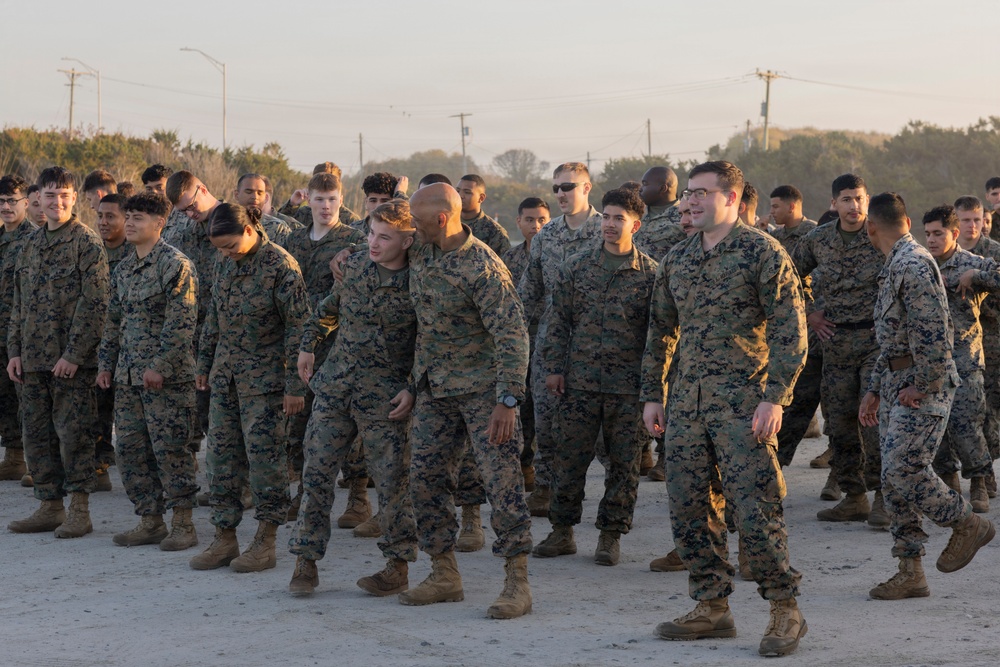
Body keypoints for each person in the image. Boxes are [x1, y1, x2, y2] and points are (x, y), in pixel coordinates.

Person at [642, 161, 807, 657]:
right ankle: (711, 607)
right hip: (687, 406)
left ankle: (785, 610)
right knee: (690, 508)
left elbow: (790, 333)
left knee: (755, 510)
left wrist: (774, 398)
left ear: (731, 198)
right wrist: (653, 393)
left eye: (701, 194)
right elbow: (660, 330)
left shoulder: (763, 253)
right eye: (688, 194)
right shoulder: (679, 258)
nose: (690, 202)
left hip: (743, 406)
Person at [399, 183, 532, 620]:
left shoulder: (483, 267)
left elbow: (512, 335)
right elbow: (382, 248)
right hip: (435, 390)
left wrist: (508, 400)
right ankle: (443, 574)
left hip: (483, 393)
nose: (411, 226)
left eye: (417, 219)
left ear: (441, 218)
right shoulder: (421, 252)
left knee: (503, 484)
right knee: (425, 480)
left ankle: (517, 582)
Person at [860, 192, 995, 601]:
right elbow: (895, 338)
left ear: (871, 227)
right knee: (893, 477)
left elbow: (935, 331)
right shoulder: (899, 262)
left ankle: (967, 523)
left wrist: (926, 383)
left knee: (905, 470)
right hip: (898, 384)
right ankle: (910, 571)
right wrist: (874, 388)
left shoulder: (913, 264)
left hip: (922, 388)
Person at [288, 198, 419, 597]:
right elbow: (329, 309)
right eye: (370, 233)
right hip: (336, 387)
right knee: (317, 475)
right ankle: (305, 562)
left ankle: (397, 566)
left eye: (384, 237)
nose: (373, 244)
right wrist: (310, 343)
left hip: (384, 397)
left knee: (393, 481)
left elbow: (430, 342)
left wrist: (412, 386)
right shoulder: (356, 264)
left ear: (408, 241)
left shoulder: (421, 281)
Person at [534, 187, 657, 566]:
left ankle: (610, 535)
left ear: (635, 225)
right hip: (579, 382)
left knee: (625, 464)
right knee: (569, 459)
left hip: (628, 387)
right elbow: (557, 321)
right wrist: (554, 368)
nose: (609, 224)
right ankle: (562, 531)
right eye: (605, 216)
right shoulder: (576, 266)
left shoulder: (651, 274)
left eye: (618, 218)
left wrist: (652, 388)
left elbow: (658, 334)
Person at [188, 204, 310, 573]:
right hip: (227, 377)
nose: (224, 253)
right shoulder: (225, 262)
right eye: (219, 248)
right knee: (220, 459)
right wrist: (205, 364)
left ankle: (266, 540)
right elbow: (214, 317)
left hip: (267, 383)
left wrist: (294, 387)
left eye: (229, 245)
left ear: (249, 230)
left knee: (265, 462)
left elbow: (298, 330)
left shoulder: (281, 267)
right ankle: (224, 537)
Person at [7, 166, 110, 538]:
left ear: (74, 198)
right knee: (36, 435)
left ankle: (79, 509)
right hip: (32, 360)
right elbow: (18, 302)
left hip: (70, 362)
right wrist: (14, 351)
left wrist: (74, 354)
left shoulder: (86, 242)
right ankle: (49, 505)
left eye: (64, 195)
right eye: (50, 195)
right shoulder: (30, 245)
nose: (57, 202)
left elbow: (96, 304)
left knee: (75, 435)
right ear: (40, 199)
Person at [98, 191, 200, 550]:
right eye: (128, 217)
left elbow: (182, 323)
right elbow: (113, 321)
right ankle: (150, 520)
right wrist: (105, 364)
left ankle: (183, 523)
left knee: (171, 449)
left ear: (160, 223)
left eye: (138, 218)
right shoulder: (124, 267)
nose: (129, 223)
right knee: (129, 450)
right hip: (128, 378)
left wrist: (159, 366)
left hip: (166, 380)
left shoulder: (176, 265)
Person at [793, 174, 887, 528]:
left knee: (873, 422)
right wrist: (809, 310)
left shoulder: (881, 236)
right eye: (846, 199)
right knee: (841, 423)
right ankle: (854, 496)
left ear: (868, 199)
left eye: (859, 198)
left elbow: (904, 277)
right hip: (835, 345)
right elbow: (788, 276)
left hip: (875, 345)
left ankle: (883, 498)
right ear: (834, 203)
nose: (854, 206)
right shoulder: (817, 240)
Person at [518, 162, 602, 517]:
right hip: (551, 346)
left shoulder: (607, 230)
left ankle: (604, 508)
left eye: (568, 187)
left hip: (597, 346)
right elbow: (530, 291)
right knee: (547, 424)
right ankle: (546, 490)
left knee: (601, 435)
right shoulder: (547, 235)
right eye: (556, 188)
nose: (560, 194)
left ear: (587, 188)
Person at [282, 172, 366, 526]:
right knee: (301, 423)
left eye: (332, 199)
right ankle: (305, 493)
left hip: (341, 347)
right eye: (319, 199)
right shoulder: (294, 242)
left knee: (349, 423)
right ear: (309, 200)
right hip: (303, 344)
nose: (326, 206)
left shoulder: (356, 240)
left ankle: (359, 497)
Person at [921, 205, 995, 513]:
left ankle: (979, 479)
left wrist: (976, 275)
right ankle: (947, 479)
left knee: (967, 423)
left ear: (954, 233)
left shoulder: (973, 262)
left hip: (965, 358)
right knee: (936, 423)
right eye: (927, 234)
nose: (932, 240)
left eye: (938, 233)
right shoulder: (921, 265)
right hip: (933, 360)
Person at [768, 186, 828, 480]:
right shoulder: (775, 238)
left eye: (776, 206)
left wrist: (812, 311)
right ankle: (774, 464)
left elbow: (814, 280)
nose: (771, 212)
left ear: (792, 206)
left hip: (822, 329)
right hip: (791, 328)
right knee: (795, 401)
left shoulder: (814, 234)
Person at [164, 171, 224, 466]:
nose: (190, 213)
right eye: (182, 210)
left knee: (223, 417)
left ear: (203, 189)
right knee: (190, 413)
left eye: (191, 206)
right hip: (191, 336)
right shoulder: (180, 228)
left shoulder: (233, 221)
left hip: (225, 336)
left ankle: (235, 484)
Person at [501, 198, 551, 492]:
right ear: (518, 222)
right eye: (530, 220)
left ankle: (539, 471)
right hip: (517, 343)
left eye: (543, 220)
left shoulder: (556, 256)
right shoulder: (509, 259)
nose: (536, 226)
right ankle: (521, 464)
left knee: (542, 408)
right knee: (519, 407)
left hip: (547, 343)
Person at [955, 195, 1000, 497]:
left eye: (978, 219)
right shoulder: (946, 252)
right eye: (966, 220)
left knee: (988, 414)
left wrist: (977, 275)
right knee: (966, 414)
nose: (974, 226)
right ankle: (976, 477)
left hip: (993, 342)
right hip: (961, 345)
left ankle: (984, 474)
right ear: (955, 222)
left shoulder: (992, 252)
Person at [93, 193, 133, 492]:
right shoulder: (92, 252)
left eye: (111, 216)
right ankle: (100, 467)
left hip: (131, 348)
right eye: (100, 216)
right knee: (98, 409)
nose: (104, 222)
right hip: (98, 346)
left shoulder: (135, 254)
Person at [0, 175, 33, 483]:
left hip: (25, 335)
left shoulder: (35, 240)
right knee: (5, 400)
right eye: (1, 201)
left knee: (30, 402)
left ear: (26, 203)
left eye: (12, 200)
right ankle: (13, 457)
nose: (7, 207)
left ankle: (38, 464)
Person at [280, 162, 361, 227]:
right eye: (318, 181)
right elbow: (278, 226)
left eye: (330, 181)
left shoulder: (351, 219)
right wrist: (292, 204)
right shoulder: (305, 213)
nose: (324, 185)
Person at [232, 173, 294, 247]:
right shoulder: (223, 223)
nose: (255, 197)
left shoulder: (278, 228)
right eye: (249, 192)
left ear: (265, 198)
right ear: (236, 195)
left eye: (260, 193)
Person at [456, 174, 511, 257]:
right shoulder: (446, 224)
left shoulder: (495, 233)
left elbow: (503, 266)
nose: (460, 196)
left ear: (481, 198)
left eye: (467, 192)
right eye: (458, 191)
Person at [984, 177, 1000, 242]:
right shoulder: (983, 215)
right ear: (987, 196)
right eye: (994, 194)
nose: (999, 198)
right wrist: (993, 210)